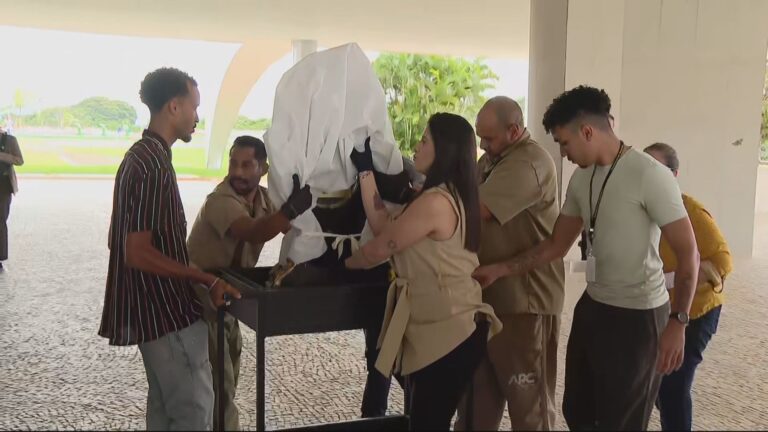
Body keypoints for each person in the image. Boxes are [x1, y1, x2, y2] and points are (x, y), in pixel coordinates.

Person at [473, 85, 699, 431]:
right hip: (594, 306)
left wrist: (678, 322)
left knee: (620, 419)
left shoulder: (650, 174)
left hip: (639, 316)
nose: (562, 153)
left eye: (564, 142)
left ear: (588, 131)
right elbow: (555, 246)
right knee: (577, 411)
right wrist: (500, 270)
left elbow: (689, 254)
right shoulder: (581, 180)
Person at [98, 67, 241, 431]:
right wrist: (203, 278)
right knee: (193, 412)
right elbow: (136, 251)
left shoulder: (141, 157)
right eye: (194, 107)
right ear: (174, 107)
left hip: (153, 318)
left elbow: (120, 237)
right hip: (167, 317)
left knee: (165, 414)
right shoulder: (152, 164)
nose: (197, 117)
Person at [345, 112, 502, 430]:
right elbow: (383, 226)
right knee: (426, 420)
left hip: (449, 331)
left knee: (428, 423)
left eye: (424, 140)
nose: (416, 147)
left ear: (443, 150)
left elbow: (380, 248)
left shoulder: (435, 202)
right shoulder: (450, 195)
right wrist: (365, 172)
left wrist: (342, 264)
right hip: (446, 326)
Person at [186, 135, 312, 430]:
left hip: (226, 302)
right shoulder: (220, 201)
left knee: (226, 381)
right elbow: (253, 231)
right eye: (233, 163)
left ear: (263, 168)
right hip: (197, 304)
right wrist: (290, 210)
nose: (238, 172)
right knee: (219, 388)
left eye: (246, 165)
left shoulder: (264, 200)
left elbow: (292, 227)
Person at [455, 96, 564, 431]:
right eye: (479, 137)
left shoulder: (529, 163)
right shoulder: (493, 159)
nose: (483, 145)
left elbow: (474, 209)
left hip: (524, 303)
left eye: (489, 138)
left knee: (527, 403)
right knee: (476, 401)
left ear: (514, 130)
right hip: (487, 299)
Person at [644, 142, 733, 431]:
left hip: (696, 310)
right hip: (657, 308)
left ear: (674, 175)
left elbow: (722, 261)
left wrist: (677, 277)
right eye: (645, 170)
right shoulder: (640, 210)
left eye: (659, 170)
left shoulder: (690, 210)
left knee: (672, 385)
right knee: (659, 385)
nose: (650, 178)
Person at [0, 127, 24, 270]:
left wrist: (1, 155)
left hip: (3, 186)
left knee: (1, 222)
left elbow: (19, 160)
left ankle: (0, 258)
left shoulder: (10, 140)